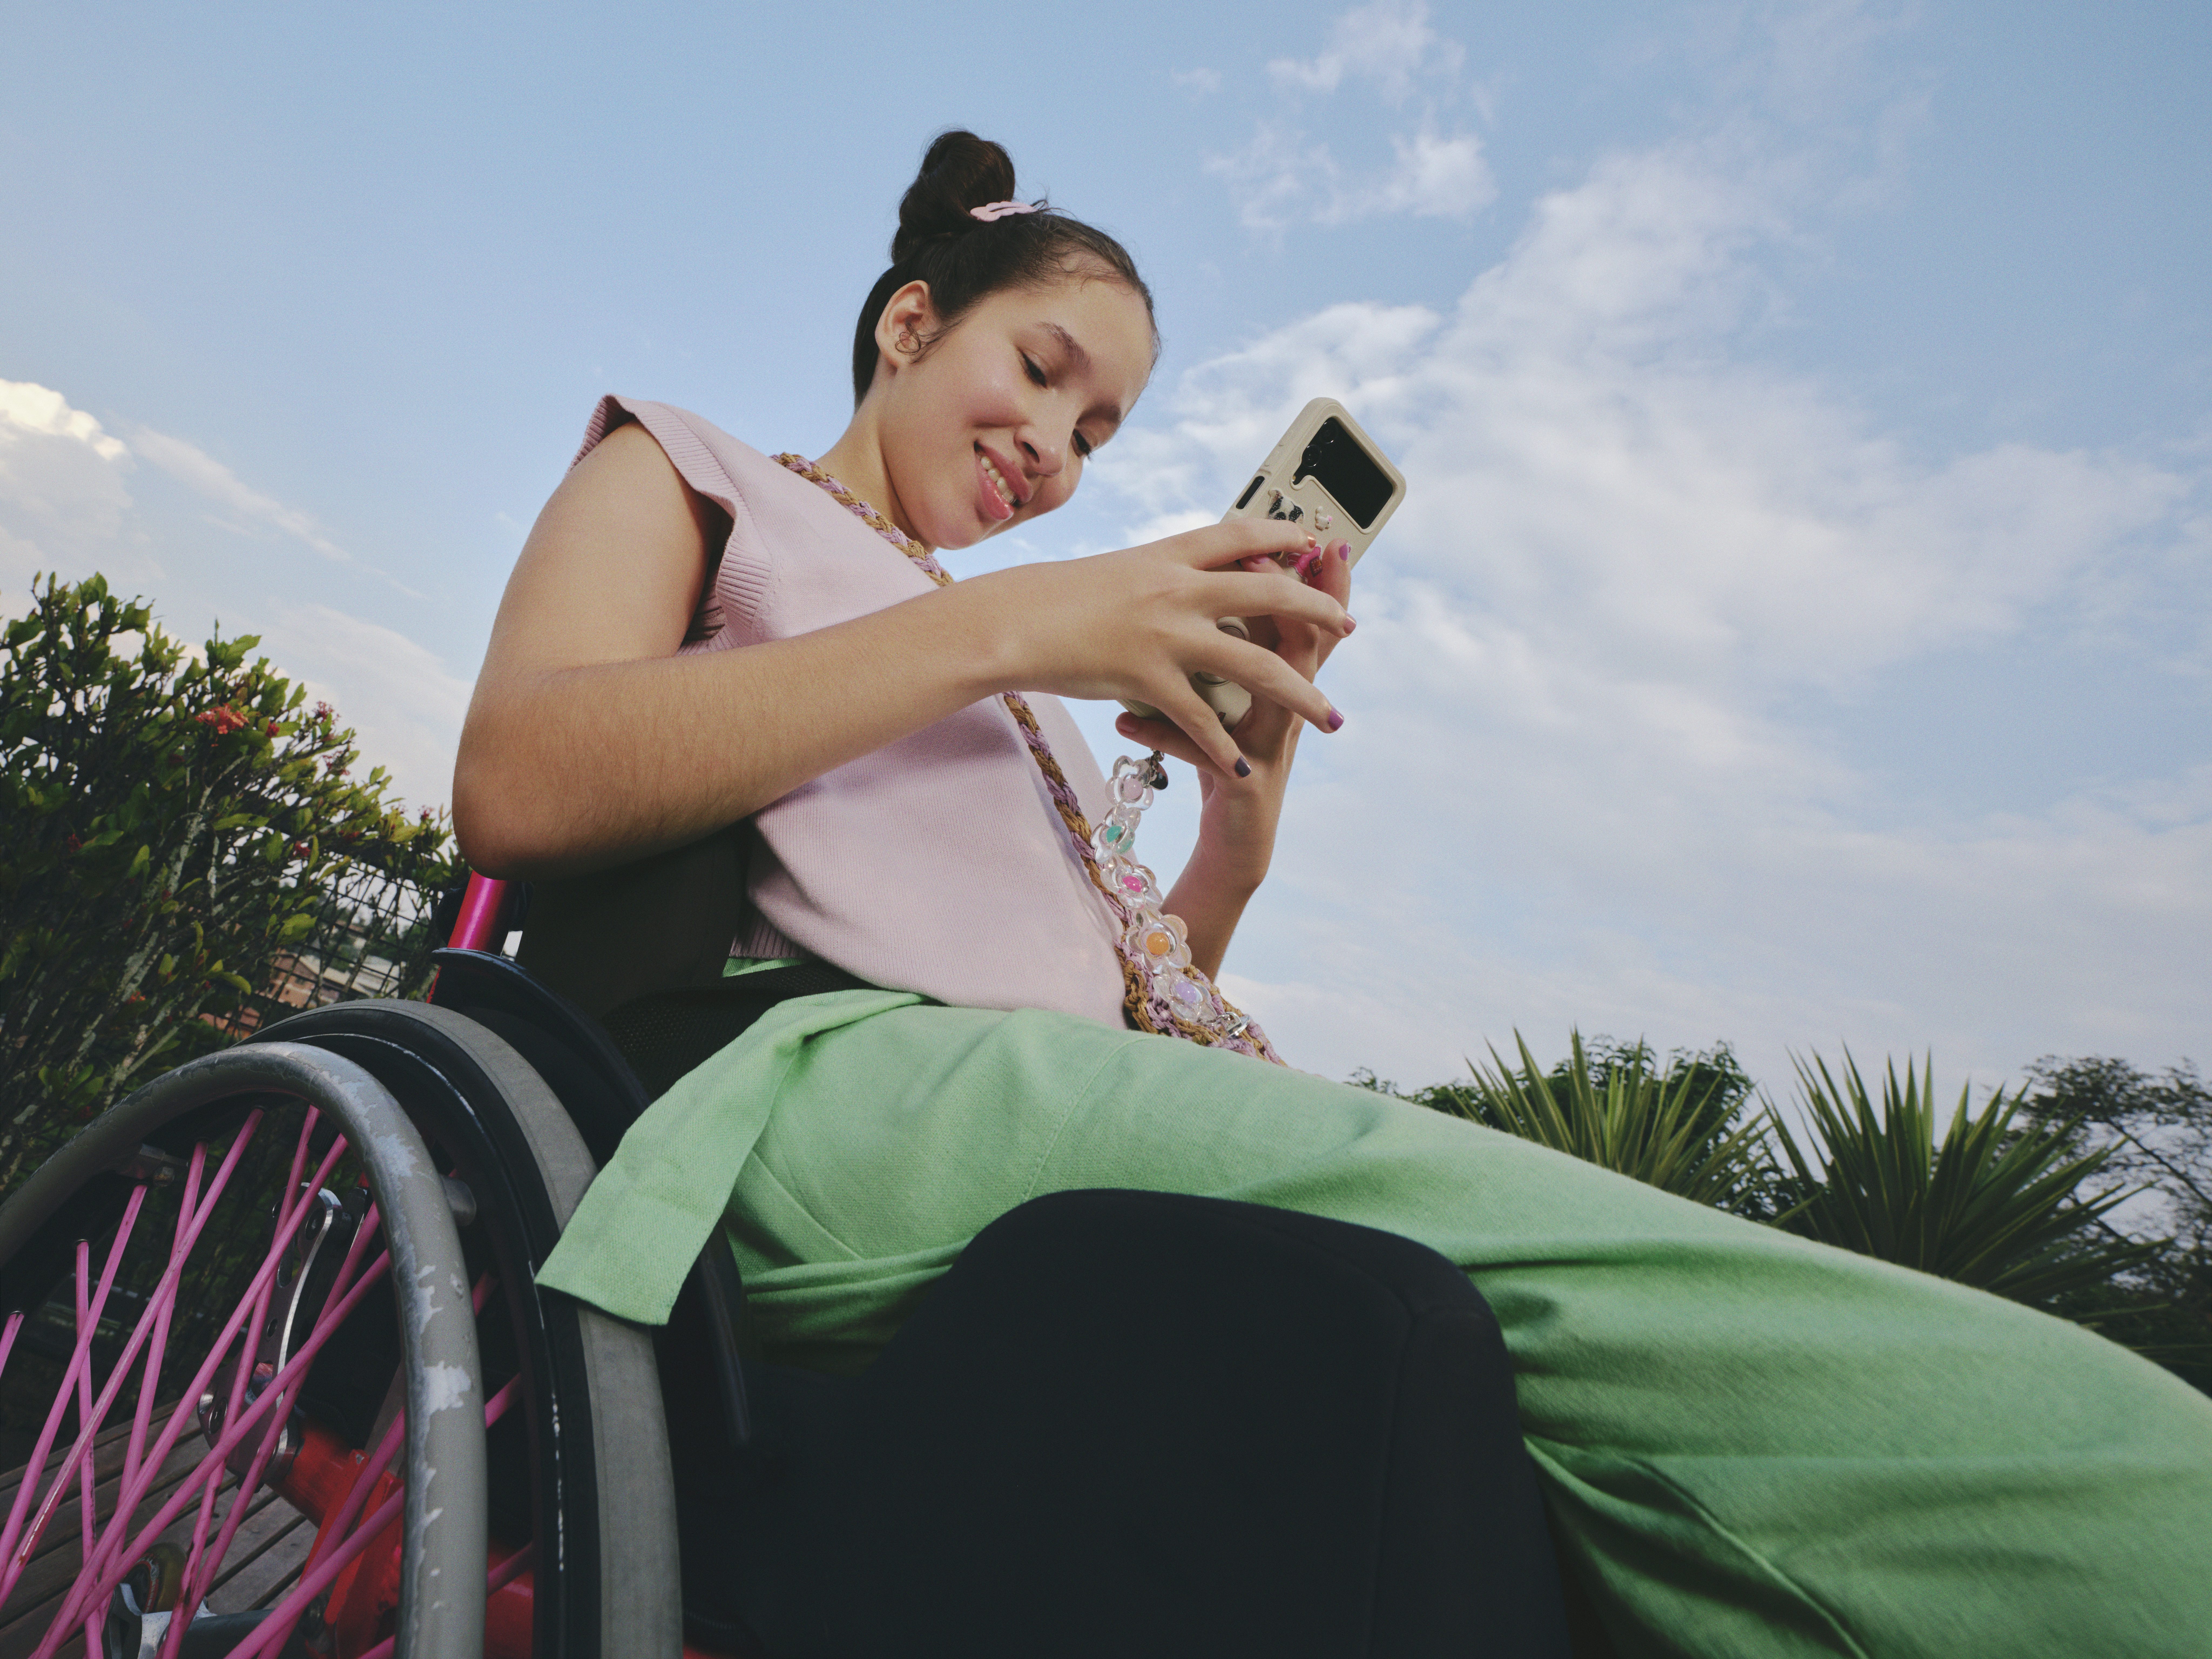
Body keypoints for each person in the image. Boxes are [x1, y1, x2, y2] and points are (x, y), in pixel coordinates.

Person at [458, 132, 2212, 1654]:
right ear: (913, 322)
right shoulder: (705, 475)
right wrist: (1031, 618)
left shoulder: (1030, 695)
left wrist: (1234, 838)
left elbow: (1114, 1030)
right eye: (1042, 373)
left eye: (1100, 429)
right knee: (1566, 1267)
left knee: (1476, 1345)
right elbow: (517, 782)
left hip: (1006, 1128)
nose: (1057, 450)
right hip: (792, 1101)